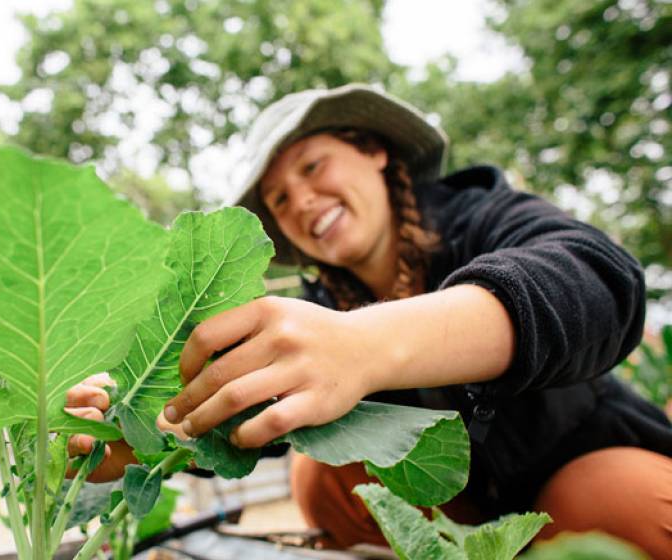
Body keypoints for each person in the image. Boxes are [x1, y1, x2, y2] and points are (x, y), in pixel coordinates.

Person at [66, 83, 672, 557]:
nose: (301, 201)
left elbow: (600, 281)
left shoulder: (477, 216)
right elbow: (249, 411)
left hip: (579, 470)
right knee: (322, 480)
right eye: (278, 199)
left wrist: (366, 344)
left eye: (311, 167)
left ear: (375, 151)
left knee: (612, 502)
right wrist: (141, 436)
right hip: (457, 523)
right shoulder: (317, 306)